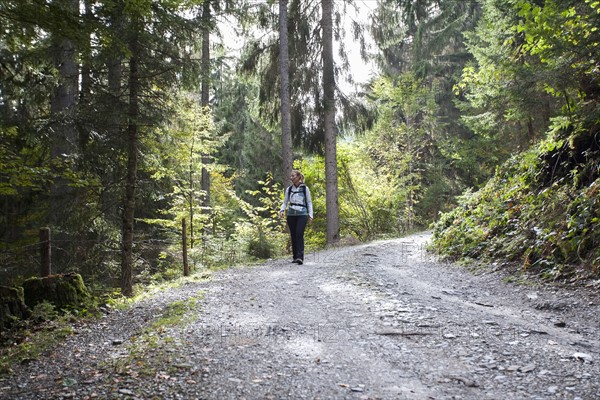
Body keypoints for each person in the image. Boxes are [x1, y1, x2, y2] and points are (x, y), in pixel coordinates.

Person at [279, 170, 313, 265]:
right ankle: (295, 257)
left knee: (299, 233)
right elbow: (285, 202)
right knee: (293, 235)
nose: (291, 178)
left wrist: (310, 215)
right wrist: (282, 210)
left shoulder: (305, 188)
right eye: (291, 176)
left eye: (293, 176)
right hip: (291, 215)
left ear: (298, 177)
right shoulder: (289, 189)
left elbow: (309, 202)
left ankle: (300, 257)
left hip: (302, 214)